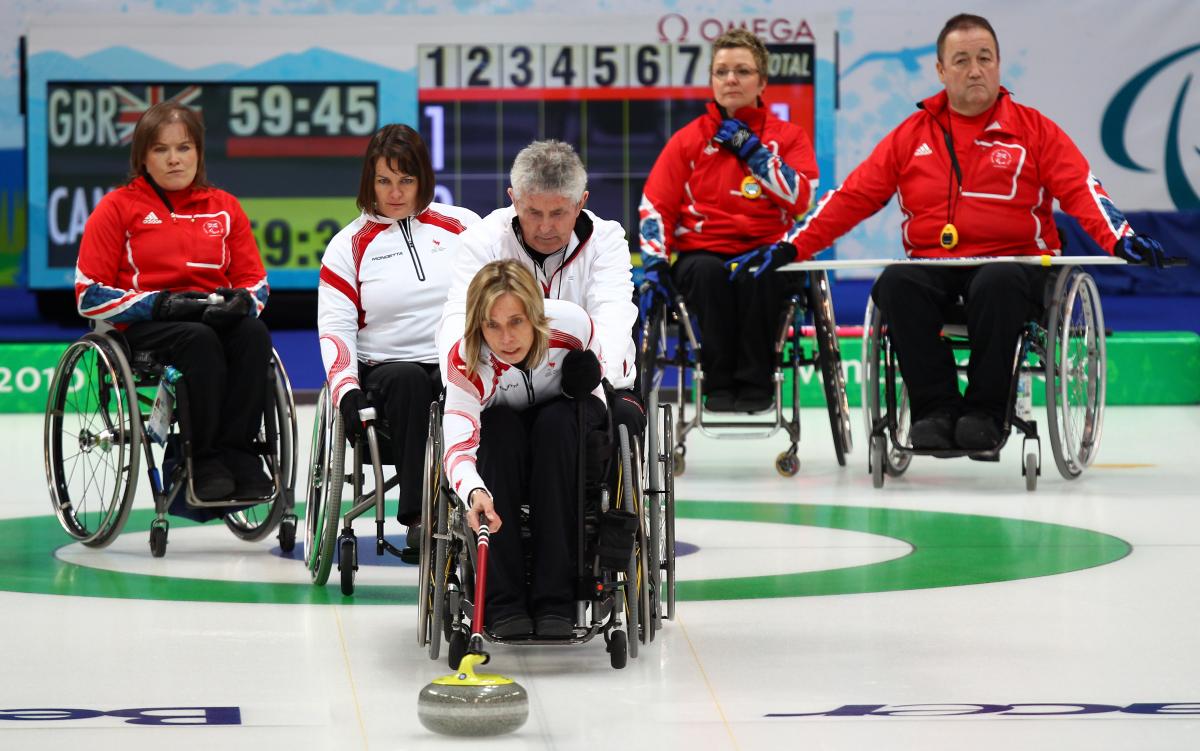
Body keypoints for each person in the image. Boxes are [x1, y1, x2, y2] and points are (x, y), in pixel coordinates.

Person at [737, 13, 1166, 449]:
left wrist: (1120, 237)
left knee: (997, 282)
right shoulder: (910, 136)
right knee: (896, 283)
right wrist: (792, 247)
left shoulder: (1035, 131)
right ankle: (935, 408)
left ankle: (985, 410)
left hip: (1013, 265)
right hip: (935, 265)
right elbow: (851, 198)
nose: (975, 69)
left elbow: (1081, 190)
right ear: (941, 71)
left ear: (999, 65)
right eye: (961, 60)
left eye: (984, 58)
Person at [75, 100, 273, 502]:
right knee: (197, 340)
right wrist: (159, 304)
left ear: (198, 153)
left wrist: (243, 304)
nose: (174, 160)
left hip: (210, 314)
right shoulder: (117, 208)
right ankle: (203, 460)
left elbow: (257, 284)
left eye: (184, 148)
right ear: (143, 157)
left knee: (252, 333)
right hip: (148, 325)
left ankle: (240, 455)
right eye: (160, 150)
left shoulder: (225, 207)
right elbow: (89, 294)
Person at [638, 28, 819, 413]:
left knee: (763, 272)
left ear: (762, 81)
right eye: (721, 72)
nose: (731, 79)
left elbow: (802, 198)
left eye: (742, 71)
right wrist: (654, 262)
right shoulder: (688, 140)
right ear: (712, 81)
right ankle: (717, 384)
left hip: (767, 250)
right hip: (703, 253)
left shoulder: (789, 137)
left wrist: (753, 153)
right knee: (706, 274)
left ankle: (757, 382)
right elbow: (655, 205)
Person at [318, 124, 480, 544]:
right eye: (384, 181)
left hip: (456, 360)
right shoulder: (347, 245)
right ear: (369, 181)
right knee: (409, 381)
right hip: (387, 372)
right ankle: (420, 519)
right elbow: (335, 328)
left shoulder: (463, 226)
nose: (395, 192)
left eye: (406, 180)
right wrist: (345, 390)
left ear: (422, 180)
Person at [442, 260, 607, 639]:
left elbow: (600, 399)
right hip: (502, 435)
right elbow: (457, 444)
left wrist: (581, 383)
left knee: (556, 425)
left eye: (516, 321)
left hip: (562, 428)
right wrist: (474, 491)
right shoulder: (467, 362)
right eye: (492, 325)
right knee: (498, 429)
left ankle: (556, 601)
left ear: (536, 315)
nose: (505, 338)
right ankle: (504, 602)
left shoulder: (574, 328)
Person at [437, 139, 644, 437]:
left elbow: (613, 313)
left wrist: (599, 371)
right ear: (514, 199)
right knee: (498, 428)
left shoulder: (607, 240)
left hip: (582, 383)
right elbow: (460, 315)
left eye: (558, 213)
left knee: (608, 420)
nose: (545, 227)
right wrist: (460, 378)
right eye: (534, 212)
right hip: (504, 387)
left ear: (580, 203)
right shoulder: (482, 240)